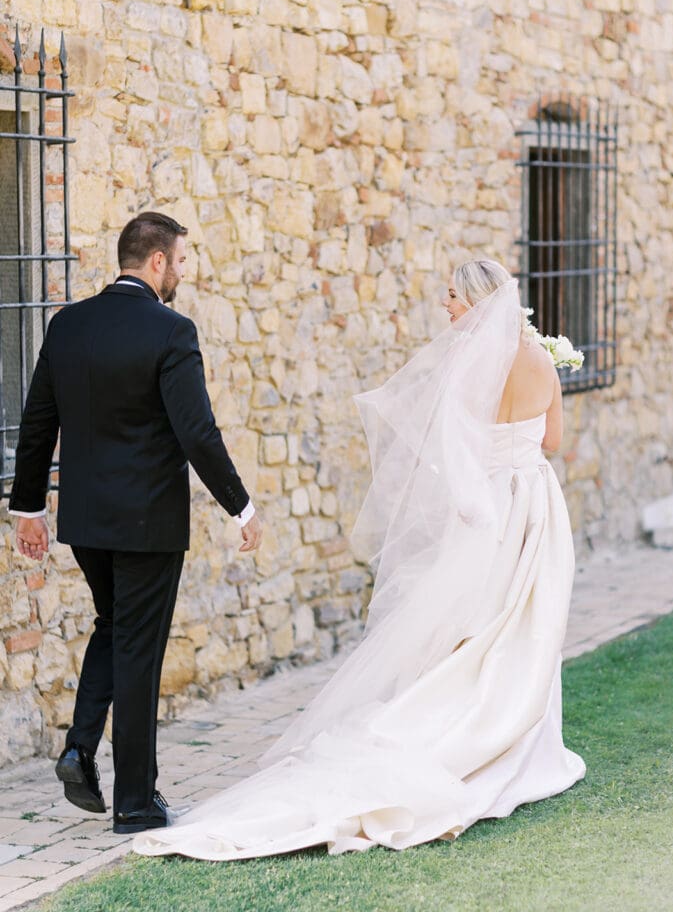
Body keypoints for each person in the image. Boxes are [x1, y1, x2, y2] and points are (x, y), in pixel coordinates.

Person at [132, 257, 585, 860]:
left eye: (452, 295)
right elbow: (552, 440)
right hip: (532, 504)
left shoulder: (470, 366)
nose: (445, 305)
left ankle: (462, 726)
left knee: (471, 626)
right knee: (525, 622)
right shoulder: (541, 363)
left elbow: (455, 448)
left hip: (487, 510)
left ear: (478, 302)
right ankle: (518, 741)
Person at [9, 211, 263, 834]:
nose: (184, 271)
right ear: (157, 261)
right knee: (139, 653)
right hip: (148, 524)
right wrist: (241, 505)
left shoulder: (67, 325)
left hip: (86, 522)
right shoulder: (172, 331)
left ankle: (79, 749)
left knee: (114, 627)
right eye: (182, 259)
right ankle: (136, 803)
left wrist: (28, 508)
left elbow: (37, 420)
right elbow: (197, 432)